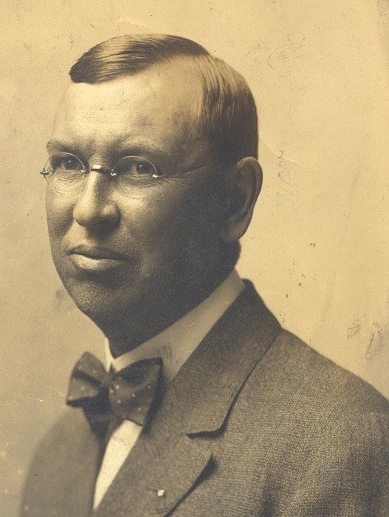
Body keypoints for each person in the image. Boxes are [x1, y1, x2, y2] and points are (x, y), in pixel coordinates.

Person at [21, 34, 388, 516]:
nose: (89, 210)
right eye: (68, 163)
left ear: (235, 201)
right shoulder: (60, 454)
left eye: (138, 167)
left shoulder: (338, 442)